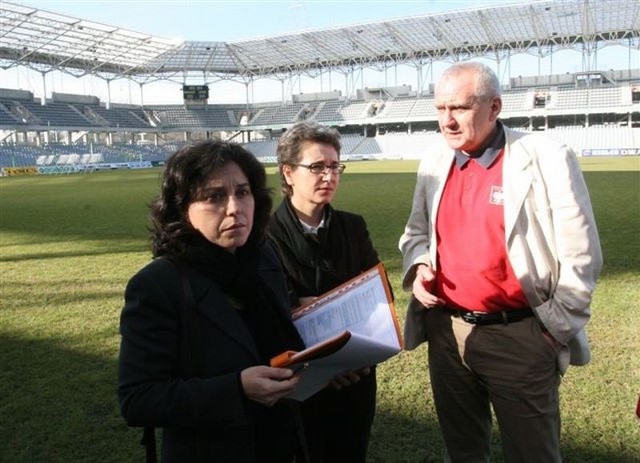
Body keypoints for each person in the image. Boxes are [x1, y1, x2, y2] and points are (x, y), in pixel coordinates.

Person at [398, 61, 602, 462]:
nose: (447, 121)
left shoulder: (547, 156)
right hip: (447, 334)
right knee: (463, 452)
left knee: (533, 454)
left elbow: (582, 254)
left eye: (459, 108)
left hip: (521, 337)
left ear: (495, 107)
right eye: (440, 109)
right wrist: (419, 265)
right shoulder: (434, 161)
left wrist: (552, 332)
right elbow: (415, 234)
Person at [117, 140, 307, 462]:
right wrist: (237, 389)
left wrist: (331, 356)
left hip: (283, 444)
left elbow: (274, 326)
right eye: (214, 197)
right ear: (182, 209)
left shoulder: (262, 257)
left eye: (243, 192)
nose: (234, 208)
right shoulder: (158, 285)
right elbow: (138, 399)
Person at [267, 120, 381, 463]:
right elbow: (277, 310)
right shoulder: (264, 236)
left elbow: (375, 296)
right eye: (317, 166)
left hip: (357, 376)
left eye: (334, 166)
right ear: (288, 173)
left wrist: (310, 306)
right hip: (303, 381)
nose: (329, 176)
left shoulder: (353, 226)